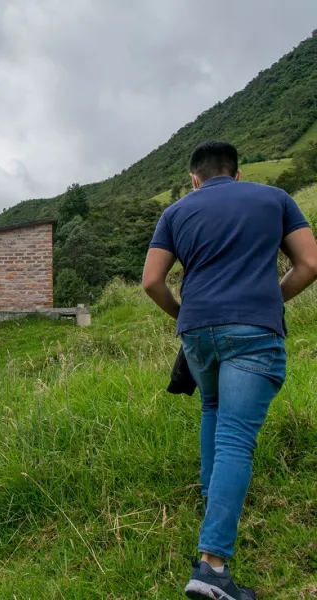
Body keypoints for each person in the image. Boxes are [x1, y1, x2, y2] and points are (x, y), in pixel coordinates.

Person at [142, 140, 317, 600]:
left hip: (198, 333)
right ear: (237, 174)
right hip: (254, 331)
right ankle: (212, 568)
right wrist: (266, 302)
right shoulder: (275, 199)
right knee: (236, 436)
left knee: (213, 409)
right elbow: (309, 263)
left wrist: (185, 314)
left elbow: (151, 281)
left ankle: (212, 500)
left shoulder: (177, 211)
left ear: (194, 178)